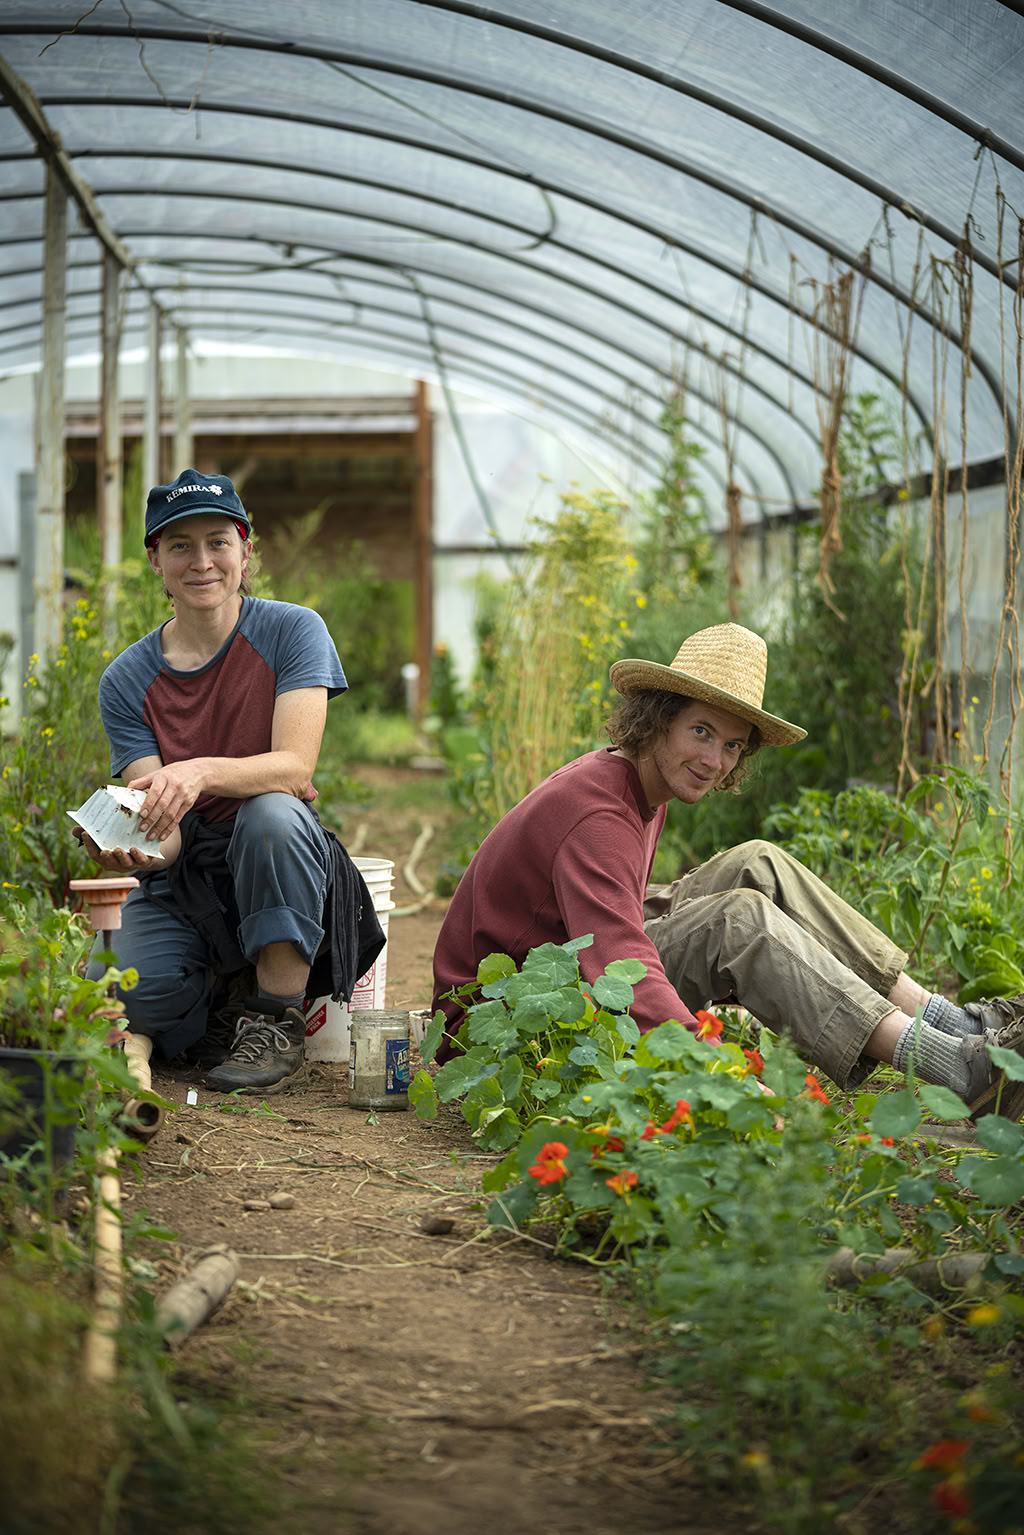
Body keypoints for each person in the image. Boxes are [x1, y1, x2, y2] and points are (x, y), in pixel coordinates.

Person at [431, 622, 1024, 1118]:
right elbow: (618, 961)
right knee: (738, 922)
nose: (715, 760)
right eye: (701, 731)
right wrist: (715, 1069)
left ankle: (956, 1024)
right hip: (506, 1022)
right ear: (657, 717)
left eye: (733, 745)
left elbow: (602, 922)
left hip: (559, 966)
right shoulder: (598, 814)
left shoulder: (636, 780)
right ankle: (958, 1069)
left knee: (757, 864)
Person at [79, 469, 385, 1093]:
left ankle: (274, 1016)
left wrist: (198, 771)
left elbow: (294, 768)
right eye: (180, 546)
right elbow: (166, 836)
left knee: (270, 812)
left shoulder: (292, 630)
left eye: (218, 542)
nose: (202, 562)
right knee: (121, 995)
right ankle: (222, 998)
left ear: (246, 552)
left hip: (277, 852)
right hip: (189, 874)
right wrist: (128, 847)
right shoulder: (127, 679)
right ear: (156, 561)